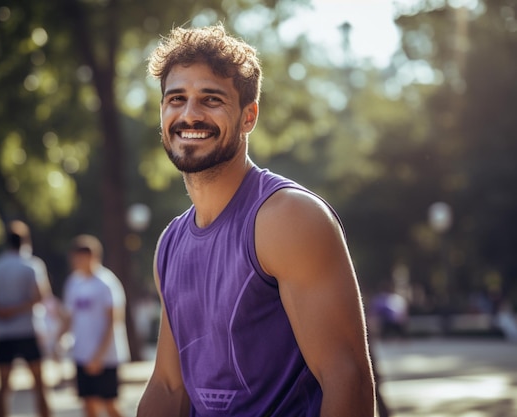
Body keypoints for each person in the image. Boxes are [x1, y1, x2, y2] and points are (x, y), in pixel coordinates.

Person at [137, 24, 376, 416]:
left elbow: (346, 378)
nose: (189, 114)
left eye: (210, 100)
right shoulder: (171, 242)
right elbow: (168, 385)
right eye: (176, 99)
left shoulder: (288, 218)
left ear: (249, 117)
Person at [0, 220, 51, 417]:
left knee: (3, 387)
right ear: (25, 241)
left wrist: (1, 311)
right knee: (39, 385)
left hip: (4, 333)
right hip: (28, 330)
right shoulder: (32, 265)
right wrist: (18, 309)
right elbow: (41, 296)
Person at [60, 234, 124, 417]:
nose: (75, 261)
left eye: (79, 256)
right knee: (88, 404)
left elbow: (114, 320)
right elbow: (69, 317)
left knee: (110, 406)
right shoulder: (73, 282)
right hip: (81, 354)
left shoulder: (106, 282)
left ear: (92, 256)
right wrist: (58, 340)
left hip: (106, 357)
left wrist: (99, 356)